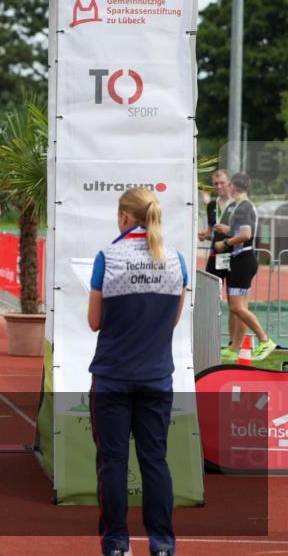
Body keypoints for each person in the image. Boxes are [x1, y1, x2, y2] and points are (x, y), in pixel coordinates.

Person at [87, 188, 188, 556]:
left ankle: (116, 543)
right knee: (154, 460)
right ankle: (162, 544)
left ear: (125, 217)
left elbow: (94, 322)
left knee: (112, 463)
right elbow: (172, 321)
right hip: (156, 377)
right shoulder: (176, 261)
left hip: (112, 377)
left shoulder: (107, 257)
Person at [214, 172, 277, 361]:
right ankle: (235, 348)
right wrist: (228, 231)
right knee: (238, 307)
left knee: (237, 307)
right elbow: (241, 231)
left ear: (233, 186)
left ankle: (265, 340)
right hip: (241, 259)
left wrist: (225, 243)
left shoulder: (243, 206)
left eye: (228, 184)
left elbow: (245, 234)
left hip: (243, 260)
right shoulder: (243, 205)